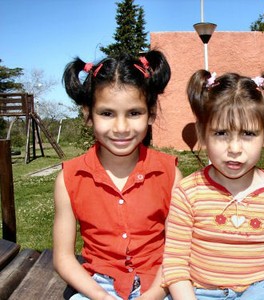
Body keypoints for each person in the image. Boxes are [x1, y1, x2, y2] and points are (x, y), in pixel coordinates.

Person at [161, 70, 264, 300]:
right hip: (197, 292)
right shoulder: (188, 192)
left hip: (257, 291)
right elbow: (175, 262)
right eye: (221, 133)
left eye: (248, 133)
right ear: (202, 134)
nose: (234, 148)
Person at [53, 50, 182, 300]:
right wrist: (102, 297)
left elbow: (178, 252)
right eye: (107, 113)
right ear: (87, 114)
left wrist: (152, 295)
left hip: (159, 285)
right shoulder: (68, 179)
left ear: (151, 113)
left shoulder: (170, 175)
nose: (121, 128)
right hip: (96, 287)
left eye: (134, 113)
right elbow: (63, 258)